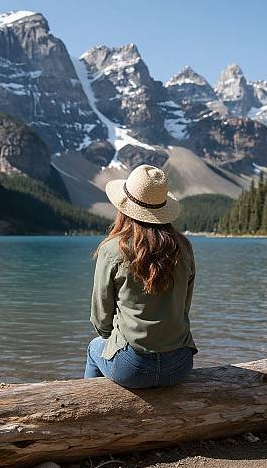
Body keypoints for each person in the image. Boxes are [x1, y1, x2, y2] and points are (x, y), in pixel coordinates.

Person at [84, 164, 197, 388]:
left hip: (131, 367)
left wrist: (113, 338)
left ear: (124, 208)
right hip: (180, 364)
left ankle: (89, 410)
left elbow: (101, 318)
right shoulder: (184, 247)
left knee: (94, 348)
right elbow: (184, 307)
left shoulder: (113, 249)